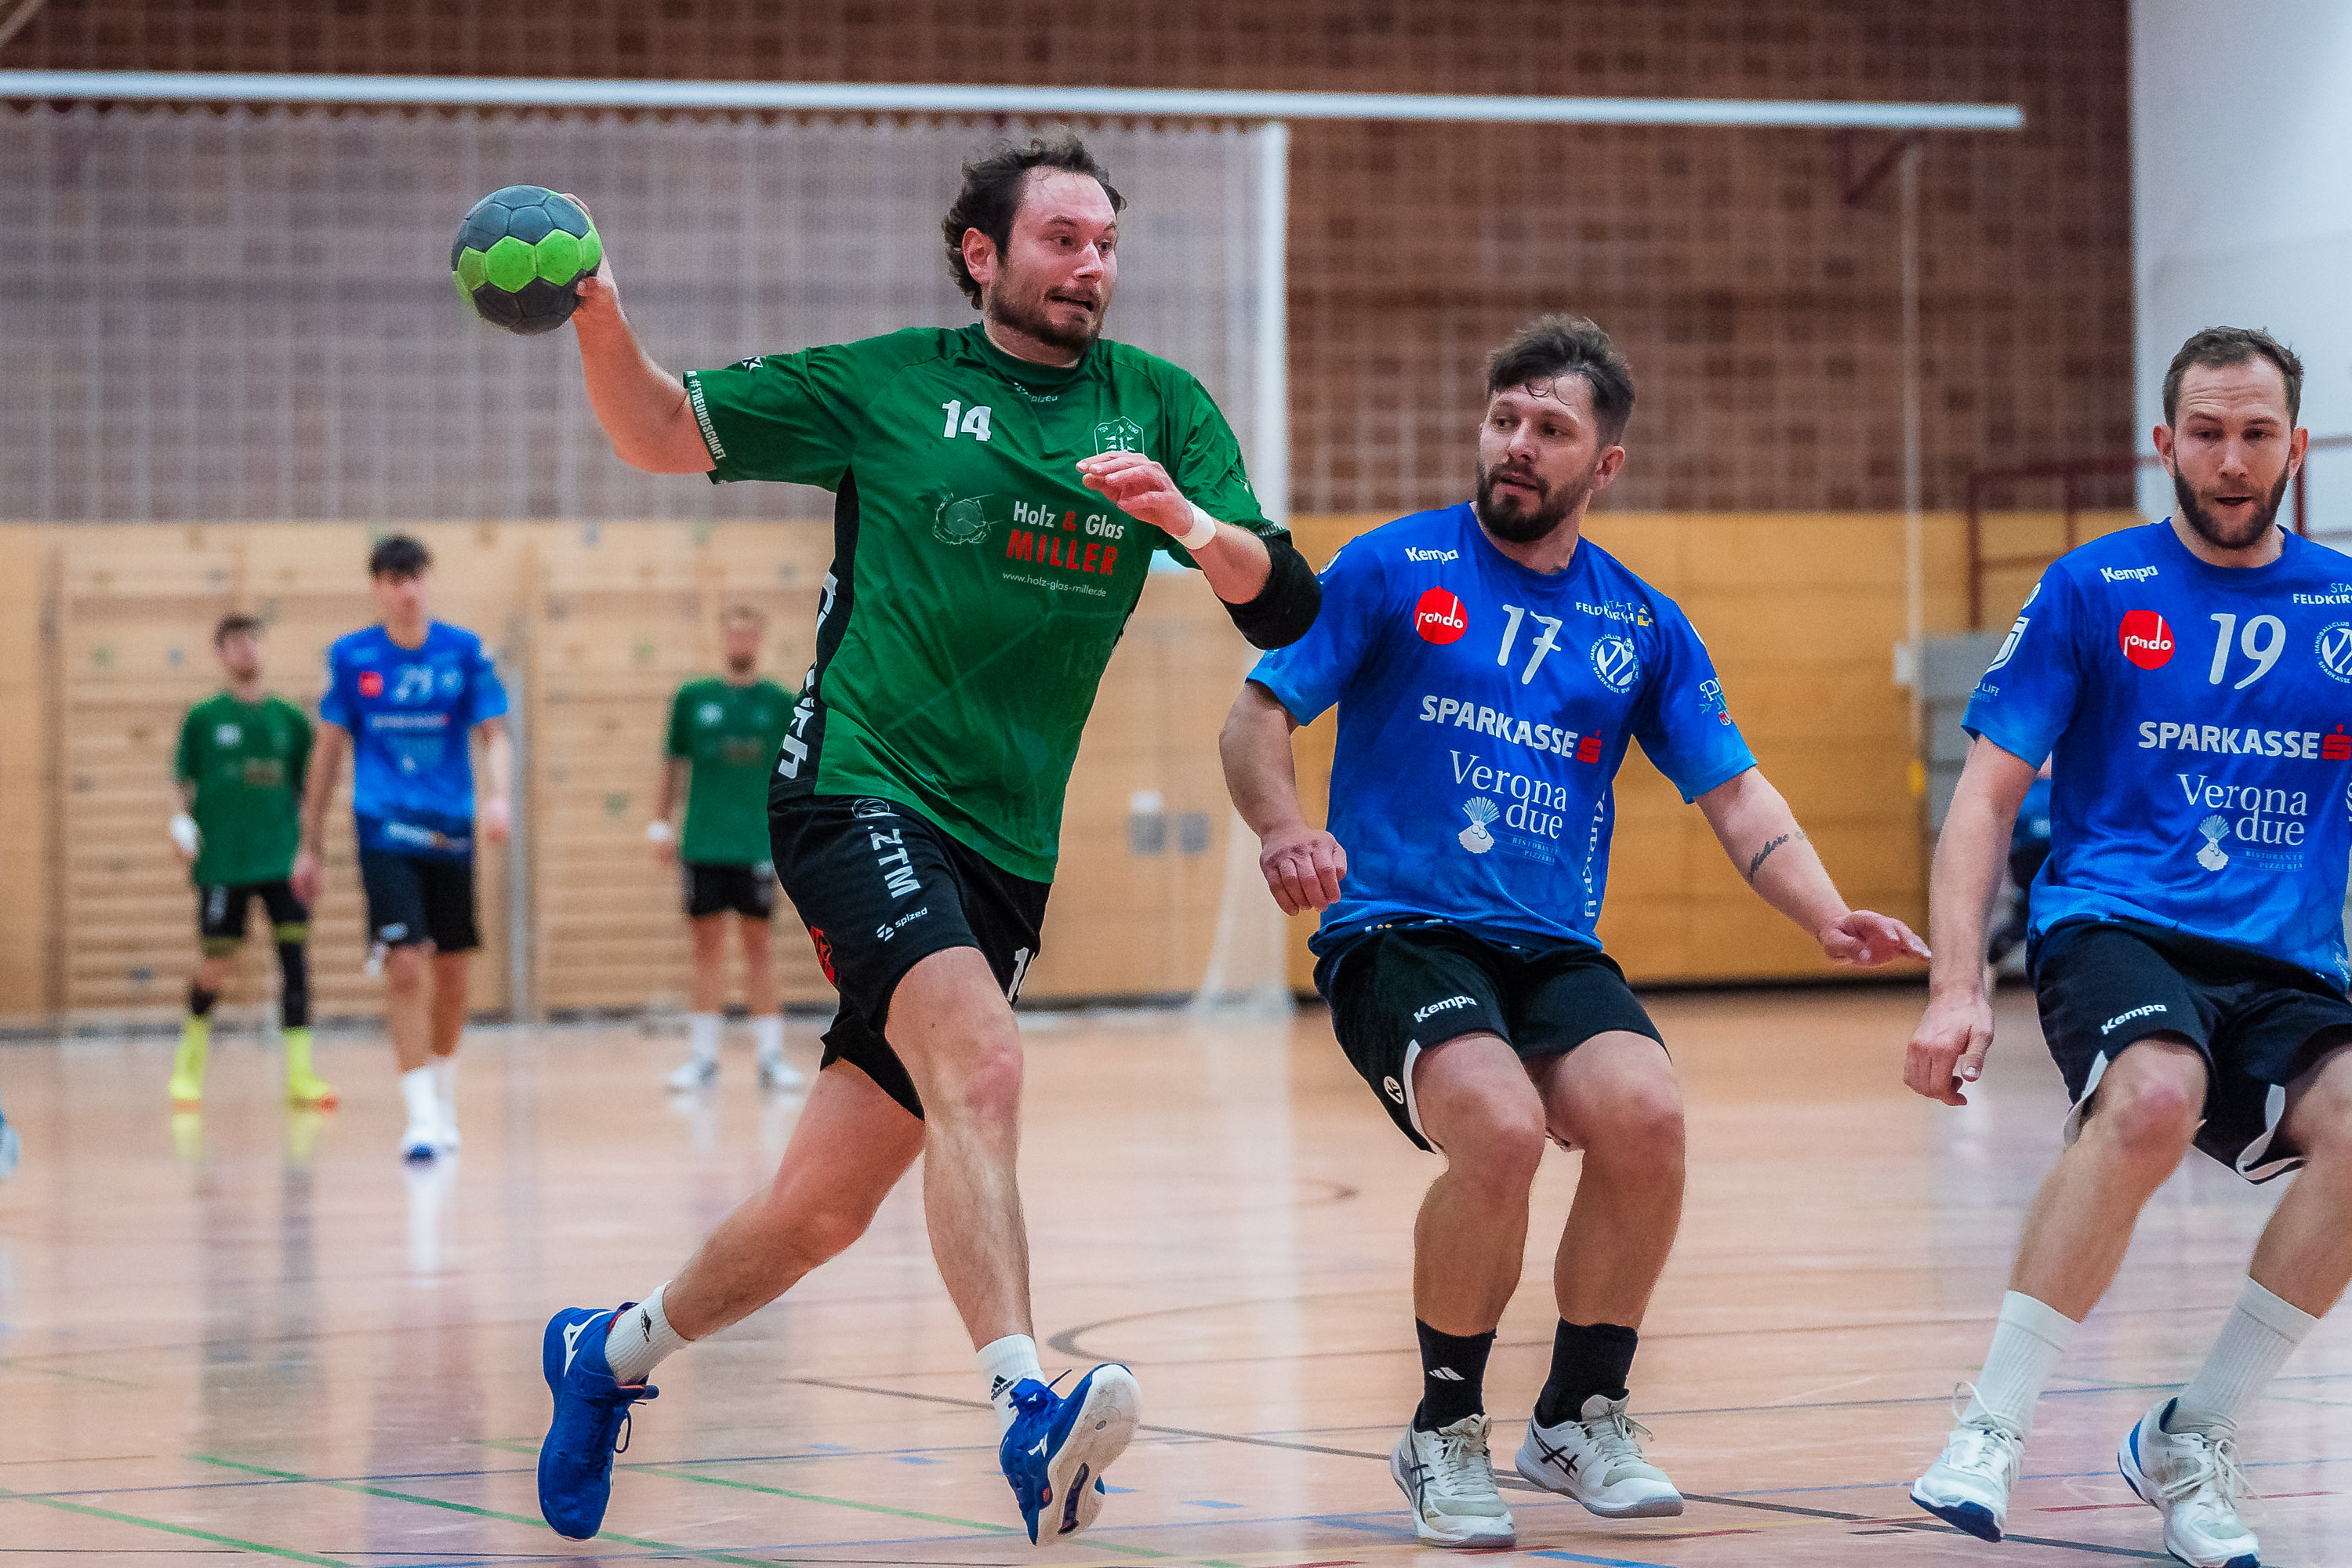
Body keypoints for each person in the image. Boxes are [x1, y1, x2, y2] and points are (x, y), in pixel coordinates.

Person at [531, 134, 1321, 1545]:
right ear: (982, 252)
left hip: (1006, 846)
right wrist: (598, 312)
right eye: (1062, 239)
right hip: (857, 782)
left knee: (820, 1212)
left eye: (1106, 244)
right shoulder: (888, 384)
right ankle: (1027, 1409)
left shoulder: (1161, 404)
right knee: (986, 1061)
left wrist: (1192, 523)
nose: (1091, 265)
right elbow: (657, 429)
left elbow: (1282, 604)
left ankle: (606, 1355)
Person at [1223, 314, 1926, 1549]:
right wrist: (1285, 830)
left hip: (1548, 943)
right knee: (1498, 1130)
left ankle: (1576, 1414)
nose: (1518, 443)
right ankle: (1443, 1429)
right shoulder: (1390, 568)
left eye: (1550, 428)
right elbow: (1256, 717)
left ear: (1604, 464)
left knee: (1648, 1117)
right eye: (1505, 419)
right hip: (1401, 930)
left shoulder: (1640, 623)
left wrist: (1827, 912)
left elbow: (1735, 793)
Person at [1906, 328, 2352, 1568]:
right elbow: (1984, 799)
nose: (2231, 460)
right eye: (2206, 433)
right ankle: (1992, 1427)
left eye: (2255, 435)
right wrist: (1955, 988)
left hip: (2288, 961)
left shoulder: (2343, 606)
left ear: (2294, 447)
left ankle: (2190, 1436)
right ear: (2165, 443)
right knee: (2157, 1093)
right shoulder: (2092, 588)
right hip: (2116, 924)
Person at [292, 535, 512, 1163]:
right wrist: (309, 844)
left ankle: (442, 1092)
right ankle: (419, 1116)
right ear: (377, 588)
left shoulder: (463, 651)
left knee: (454, 973)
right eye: (393, 579)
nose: (406, 590)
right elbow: (328, 752)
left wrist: (500, 796)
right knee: (405, 962)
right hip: (384, 828)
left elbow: (495, 735)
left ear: (428, 581)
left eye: (414, 576)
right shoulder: (352, 656)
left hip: (452, 829)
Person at [168, 614, 334, 1109]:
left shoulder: (289, 719)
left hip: (281, 859)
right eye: (235, 643)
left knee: (295, 962)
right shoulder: (203, 718)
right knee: (215, 964)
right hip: (223, 862)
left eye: (252, 641)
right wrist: (179, 823)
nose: (246, 650)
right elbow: (180, 781)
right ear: (221, 654)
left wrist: (312, 852)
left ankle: (301, 1076)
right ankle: (188, 1069)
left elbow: (310, 793)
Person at [653, 604, 804, 1092]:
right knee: (706, 949)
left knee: (760, 948)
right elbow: (672, 763)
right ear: (722, 638)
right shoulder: (693, 699)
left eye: (748, 634)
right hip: (703, 843)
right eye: (733, 634)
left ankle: (771, 1059)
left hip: (756, 845)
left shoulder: (780, 703)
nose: (741, 642)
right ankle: (702, 1060)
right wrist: (659, 824)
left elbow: (794, 774)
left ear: (760, 639)